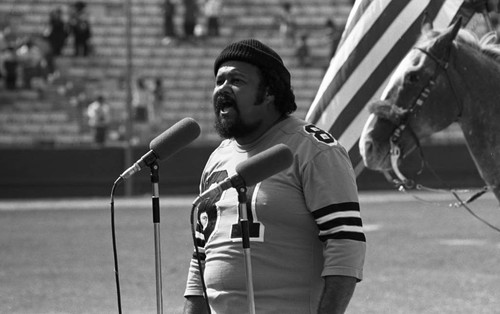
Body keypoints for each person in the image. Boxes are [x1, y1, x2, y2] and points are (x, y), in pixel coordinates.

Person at [183, 39, 366, 313]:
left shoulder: (313, 149)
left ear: (268, 92)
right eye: (219, 81)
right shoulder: (217, 158)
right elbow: (201, 256)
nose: (222, 89)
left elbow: (345, 241)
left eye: (236, 80)